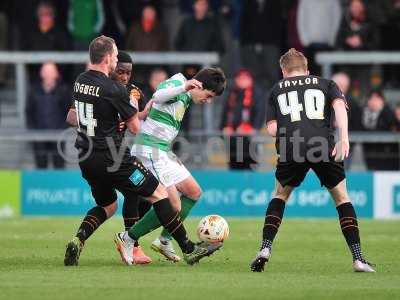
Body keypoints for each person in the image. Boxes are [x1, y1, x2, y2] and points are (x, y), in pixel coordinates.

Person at [64, 35, 221, 267]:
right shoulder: (114, 89)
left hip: (86, 157)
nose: (118, 62)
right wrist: (139, 113)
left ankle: (79, 238)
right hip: (114, 157)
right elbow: (136, 127)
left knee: (108, 206)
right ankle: (185, 247)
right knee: (160, 195)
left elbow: (72, 117)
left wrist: (100, 120)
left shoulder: (80, 81)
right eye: (116, 56)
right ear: (107, 58)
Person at [250, 48, 375, 273]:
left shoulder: (276, 89)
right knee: (342, 199)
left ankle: (265, 248)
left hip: (292, 147)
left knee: (280, 196)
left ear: (283, 71)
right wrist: (344, 139)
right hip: (323, 145)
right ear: (307, 70)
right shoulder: (326, 83)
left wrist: (292, 127)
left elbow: (271, 129)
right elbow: (339, 107)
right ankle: (358, 259)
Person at [126, 67, 226, 262]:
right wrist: (184, 87)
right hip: (149, 151)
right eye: (208, 95)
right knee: (173, 204)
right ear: (198, 85)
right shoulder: (178, 83)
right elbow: (158, 94)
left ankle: (164, 240)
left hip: (163, 151)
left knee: (193, 191)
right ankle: (128, 239)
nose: (208, 100)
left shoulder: (187, 97)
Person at [26, 62, 71, 169]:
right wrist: (32, 130)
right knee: (40, 166)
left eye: (51, 72)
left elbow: (69, 111)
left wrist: (64, 129)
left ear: (56, 74)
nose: (48, 74)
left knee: (59, 166)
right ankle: (40, 186)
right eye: (46, 72)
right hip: (39, 135)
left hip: (58, 135)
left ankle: (59, 186)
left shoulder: (64, 90)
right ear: (41, 73)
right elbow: (29, 111)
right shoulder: (33, 90)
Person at [220, 68, 265, 169]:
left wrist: (253, 129)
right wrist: (224, 127)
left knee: (250, 165)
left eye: (245, 78)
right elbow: (225, 113)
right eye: (240, 78)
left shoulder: (256, 93)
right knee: (234, 164)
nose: (242, 81)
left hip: (249, 139)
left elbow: (260, 112)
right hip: (233, 138)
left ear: (250, 80)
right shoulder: (232, 93)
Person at [362, 90, 399, 170]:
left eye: (376, 99)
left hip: (387, 155)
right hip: (369, 154)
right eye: (371, 99)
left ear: (382, 100)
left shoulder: (388, 113)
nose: (373, 102)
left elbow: (394, 127)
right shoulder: (363, 114)